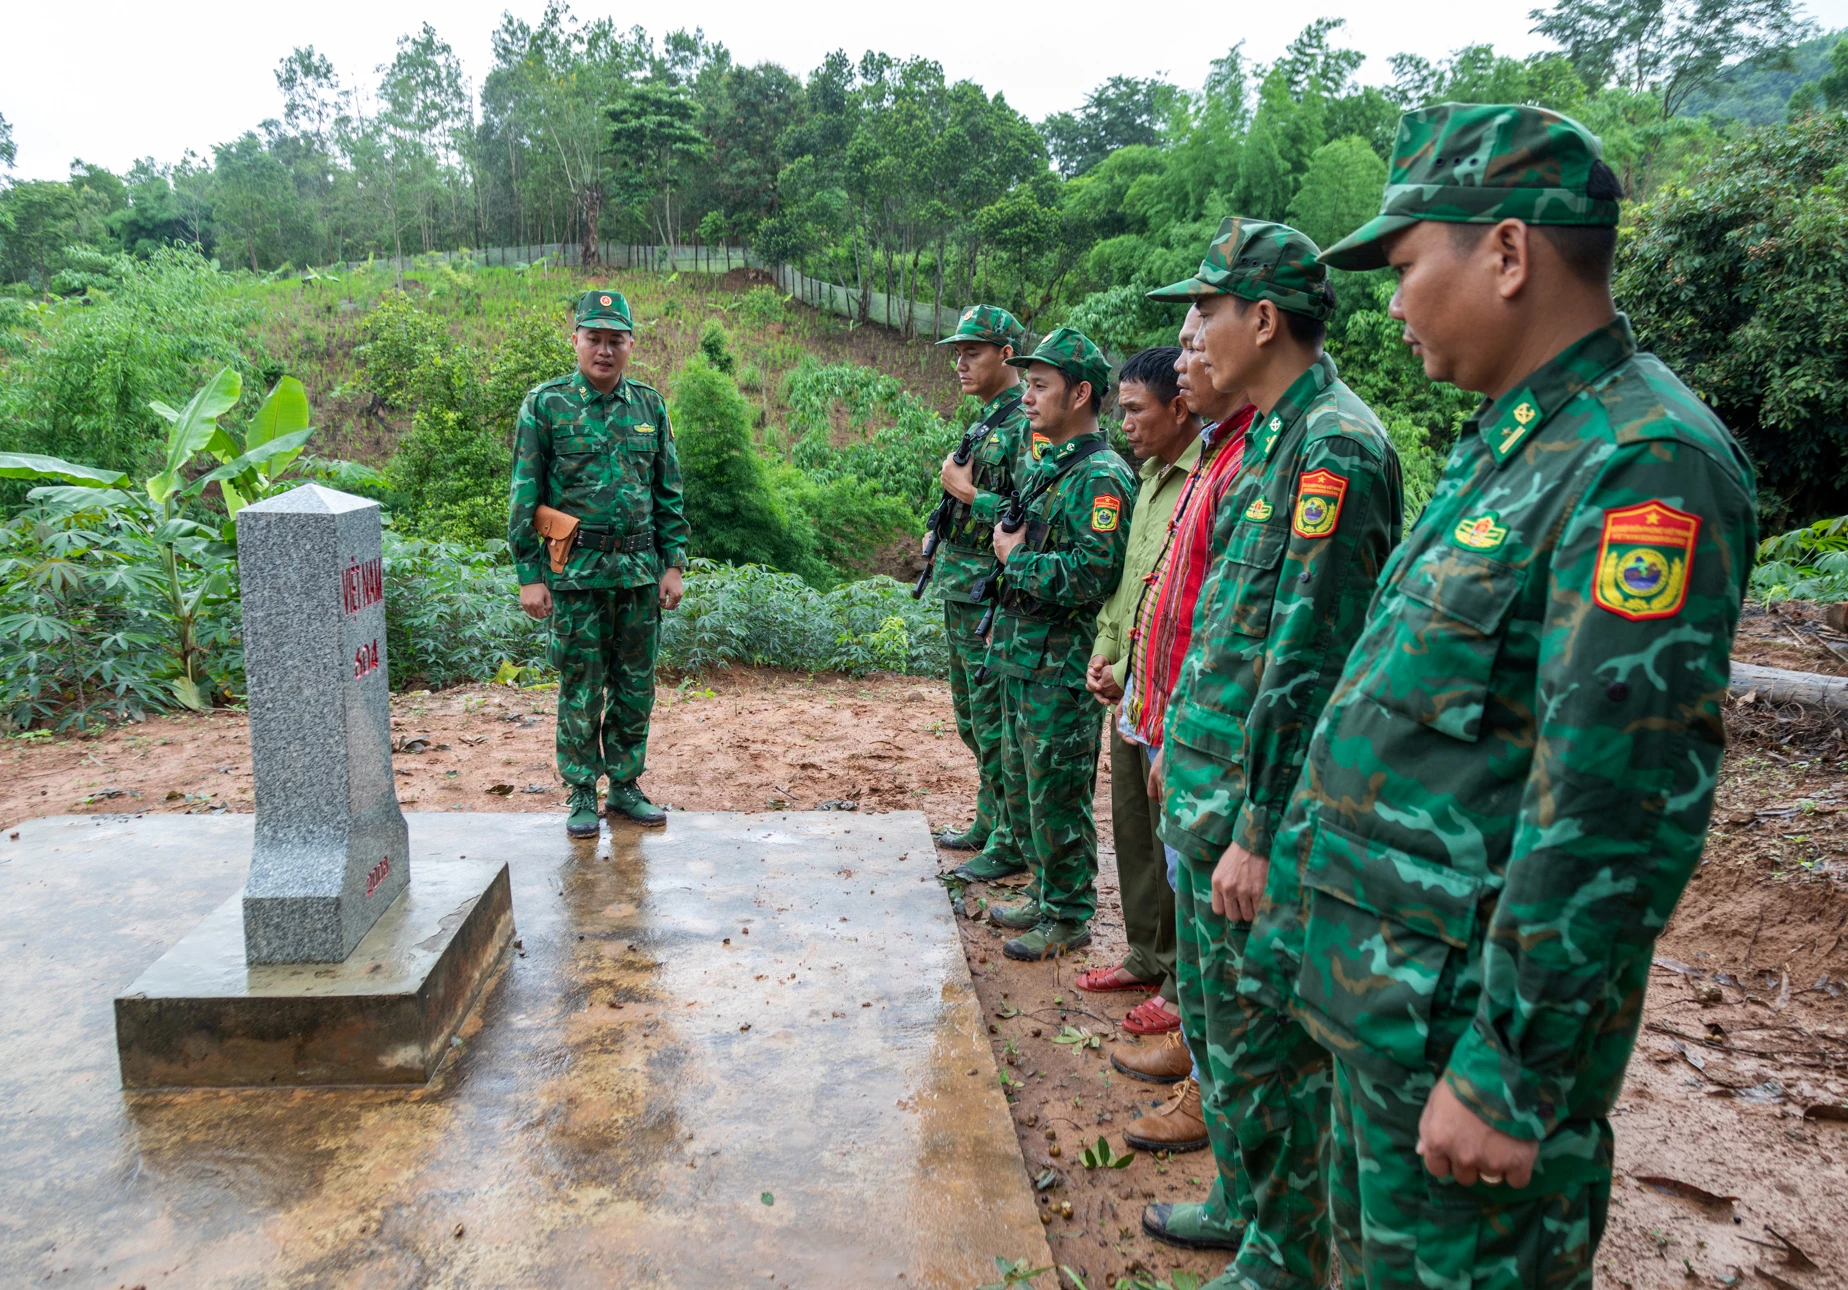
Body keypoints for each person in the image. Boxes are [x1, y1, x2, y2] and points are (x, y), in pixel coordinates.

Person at [1245, 102, 1756, 1289]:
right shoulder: (1514, 443)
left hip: (1461, 1044)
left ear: (1510, 253)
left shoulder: (1643, 463)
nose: (1392, 303)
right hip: (1391, 1011)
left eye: (1405, 266)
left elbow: (1615, 805)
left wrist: (1510, 1071)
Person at [1143, 218, 1404, 1285]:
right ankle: (1243, 1205)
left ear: (1262, 319)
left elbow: (1309, 661)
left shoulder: (1336, 447)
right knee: (1220, 1030)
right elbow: (1230, 632)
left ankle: (1285, 1257)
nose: (1192, 332)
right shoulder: (1264, 442)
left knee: (1269, 1051)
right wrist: (1179, 747)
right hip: (1209, 798)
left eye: (1205, 309)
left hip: (1262, 824)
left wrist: (1260, 829)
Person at [1106, 311, 1257, 1162]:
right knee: (1191, 908)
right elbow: (1165, 594)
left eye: (1198, 343)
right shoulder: (1225, 455)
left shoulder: (1296, 453)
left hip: (1213, 744)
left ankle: (1216, 1091)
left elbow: (1264, 638)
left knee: (1220, 930)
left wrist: (1187, 733)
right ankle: (1198, 1056)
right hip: (1176, 721)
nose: (1187, 361)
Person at [508, 289, 689, 837]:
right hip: (576, 575)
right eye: (594, 338)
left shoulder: (650, 406)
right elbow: (524, 494)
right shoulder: (546, 405)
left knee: (635, 687)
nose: (604, 350)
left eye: (616, 340)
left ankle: (625, 786)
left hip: (638, 574)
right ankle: (582, 790)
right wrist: (530, 575)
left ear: (631, 344)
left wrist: (673, 564)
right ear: (576, 341)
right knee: (581, 687)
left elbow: (668, 492)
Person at [981, 328, 1136, 961]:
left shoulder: (1101, 477)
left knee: (1058, 794)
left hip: (1061, 667)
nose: (1026, 396)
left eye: (1040, 386)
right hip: (1024, 657)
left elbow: (1095, 575)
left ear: (1080, 394)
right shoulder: (1055, 467)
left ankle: (1069, 914)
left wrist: (1015, 561)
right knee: (1025, 787)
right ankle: (1046, 895)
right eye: (1027, 384)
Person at [1079, 346, 1198, 1030]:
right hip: (1130, 686)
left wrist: (1128, 669)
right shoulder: (1148, 479)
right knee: (1131, 827)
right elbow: (1128, 585)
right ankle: (1146, 952)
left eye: (1134, 410)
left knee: (1167, 837)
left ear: (1178, 408)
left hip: (1165, 687)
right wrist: (1106, 653)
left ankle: (1179, 979)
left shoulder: (1203, 478)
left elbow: (1187, 601)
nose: (1123, 424)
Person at [930, 305, 1033, 875]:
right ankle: (989, 820)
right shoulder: (989, 421)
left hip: (990, 594)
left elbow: (1030, 515)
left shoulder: (1025, 423)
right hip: (962, 589)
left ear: (1006, 354)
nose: (960, 363)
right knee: (973, 718)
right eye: (958, 353)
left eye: (973, 352)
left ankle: (1010, 840)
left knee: (994, 722)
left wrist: (968, 495)